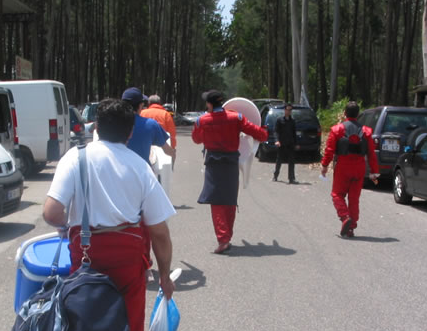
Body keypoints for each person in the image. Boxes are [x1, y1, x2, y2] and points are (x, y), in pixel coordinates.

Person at [42, 98, 176, 331]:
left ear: (95, 127)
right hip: (128, 260)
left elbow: (51, 212)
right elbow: (160, 232)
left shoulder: (76, 158)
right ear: (131, 132)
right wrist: (164, 275)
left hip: (84, 257)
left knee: (84, 327)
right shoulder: (139, 166)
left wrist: (76, 222)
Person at [192, 89, 268, 254]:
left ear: (210, 104)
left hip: (213, 163)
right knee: (229, 199)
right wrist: (265, 131)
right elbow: (258, 134)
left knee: (216, 200)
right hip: (231, 162)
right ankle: (227, 236)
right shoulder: (237, 118)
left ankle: (223, 239)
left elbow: (196, 139)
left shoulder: (202, 121)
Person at [320, 101, 380, 238]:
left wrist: (324, 166)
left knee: (337, 194)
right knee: (354, 198)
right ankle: (351, 227)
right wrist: (374, 172)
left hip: (343, 166)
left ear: (345, 113)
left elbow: (329, 150)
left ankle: (345, 217)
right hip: (359, 167)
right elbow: (371, 153)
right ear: (358, 114)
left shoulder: (337, 130)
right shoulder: (366, 131)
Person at [122, 87, 176, 165]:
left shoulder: (112, 124)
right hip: (142, 171)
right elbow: (167, 149)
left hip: (117, 172)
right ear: (140, 105)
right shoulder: (151, 124)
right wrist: (173, 152)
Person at [273, 103, 299, 183]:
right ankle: (275, 176)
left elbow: (294, 133)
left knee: (291, 161)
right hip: (282, 143)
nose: (289, 111)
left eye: (290, 110)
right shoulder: (279, 120)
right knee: (279, 160)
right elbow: (276, 131)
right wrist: (277, 140)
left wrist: (296, 143)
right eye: (287, 109)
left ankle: (291, 178)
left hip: (290, 143)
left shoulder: (293, 121)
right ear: (284, 110)